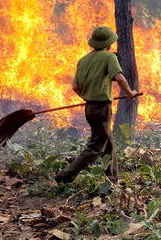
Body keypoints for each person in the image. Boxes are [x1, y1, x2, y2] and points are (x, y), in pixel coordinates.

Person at [55, 26, 140, 184]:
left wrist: (87, 96)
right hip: (102, 109)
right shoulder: (109, 57)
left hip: (89, 107)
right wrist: (129, 93)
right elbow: (120, 78)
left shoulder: (83, 60)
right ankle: (65, 175)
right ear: (109, 44)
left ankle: (112, 180)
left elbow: (75, 87)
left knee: (108, 143)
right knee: (97, 147)